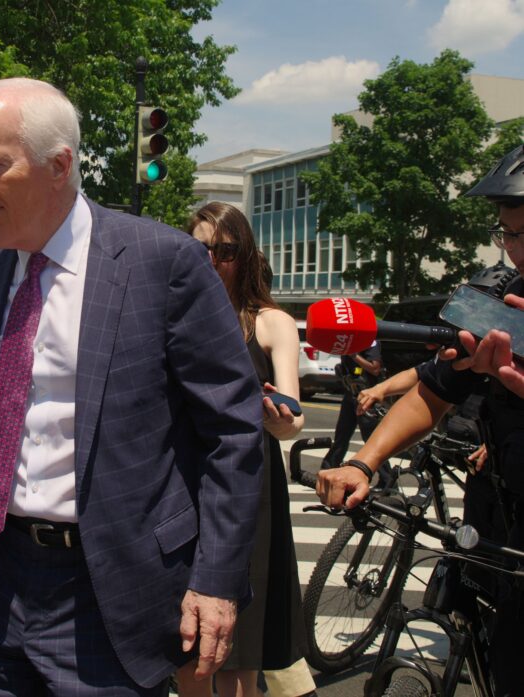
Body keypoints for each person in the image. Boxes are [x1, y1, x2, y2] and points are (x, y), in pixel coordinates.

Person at [0, 77, 263, 697]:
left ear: (59, 165)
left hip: (108, 587)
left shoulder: (160, 263)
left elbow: (232, 428)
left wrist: (216, 578)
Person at [315, 144, 524, 695]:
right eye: (508, 234)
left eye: (522, 235)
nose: (514, 251)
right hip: (499, 531)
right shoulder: (501, 301)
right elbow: (432, 392)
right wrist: (363, 461)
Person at [186, 203, 314, 697]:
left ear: (246, 256)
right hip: (182, 482)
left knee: (238, 654)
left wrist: (273, 415)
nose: (214, 260)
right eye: (202, 249)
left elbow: (293, 418)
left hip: (247, 486)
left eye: (227, 250)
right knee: (191, 650)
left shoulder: (271, 322)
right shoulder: (174, 314)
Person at [320, 343, 383, 470]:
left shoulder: (370, 341)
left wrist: (354, 356)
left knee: (370, 439)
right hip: (350, 395)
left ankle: (388, 481)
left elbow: (375, 369)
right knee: (341, 436)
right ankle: (328, 469)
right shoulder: (349, 341)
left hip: (366, 397)